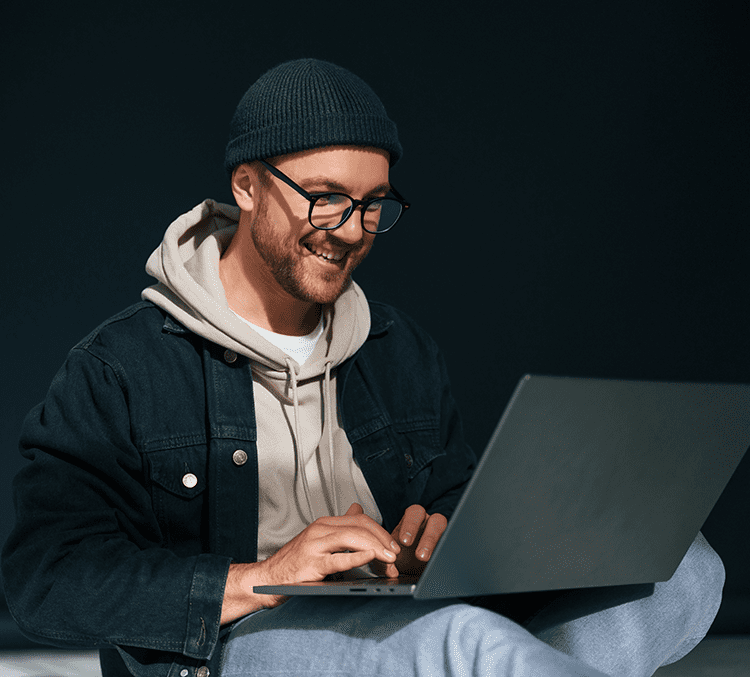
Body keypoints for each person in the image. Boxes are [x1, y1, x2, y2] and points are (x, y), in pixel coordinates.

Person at [1, 58, 725, 677]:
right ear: (248, 185)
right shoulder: (121, 366)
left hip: (400, 614)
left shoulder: (395, 345)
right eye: (325, 199)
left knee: (686, 569)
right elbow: (42, 576)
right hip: (237, 641)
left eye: (373, 205)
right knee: (465, 642)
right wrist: (261, 576)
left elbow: (452, 491)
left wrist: (443, 533)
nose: (350, 231)